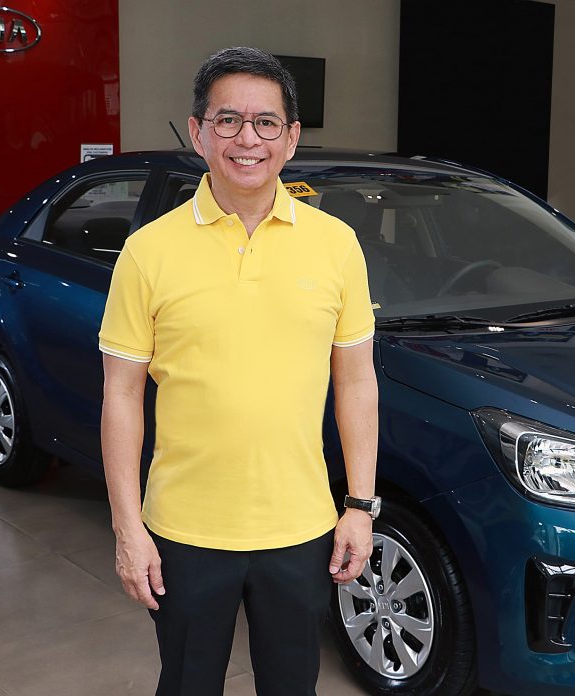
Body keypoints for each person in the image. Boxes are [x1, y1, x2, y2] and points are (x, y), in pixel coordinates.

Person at [98, 47, 379, 696]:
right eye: (227, 120)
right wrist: (128, 529)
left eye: (266, 122)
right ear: (198, 132)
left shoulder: (336, 245)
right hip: (184, 531)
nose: (247, 139)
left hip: (301, 529)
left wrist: (360, 507)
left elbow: (356, 381)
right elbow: (121, 394)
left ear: (291, 138)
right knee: (188, 683)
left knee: (292, 685)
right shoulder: (148, 252)